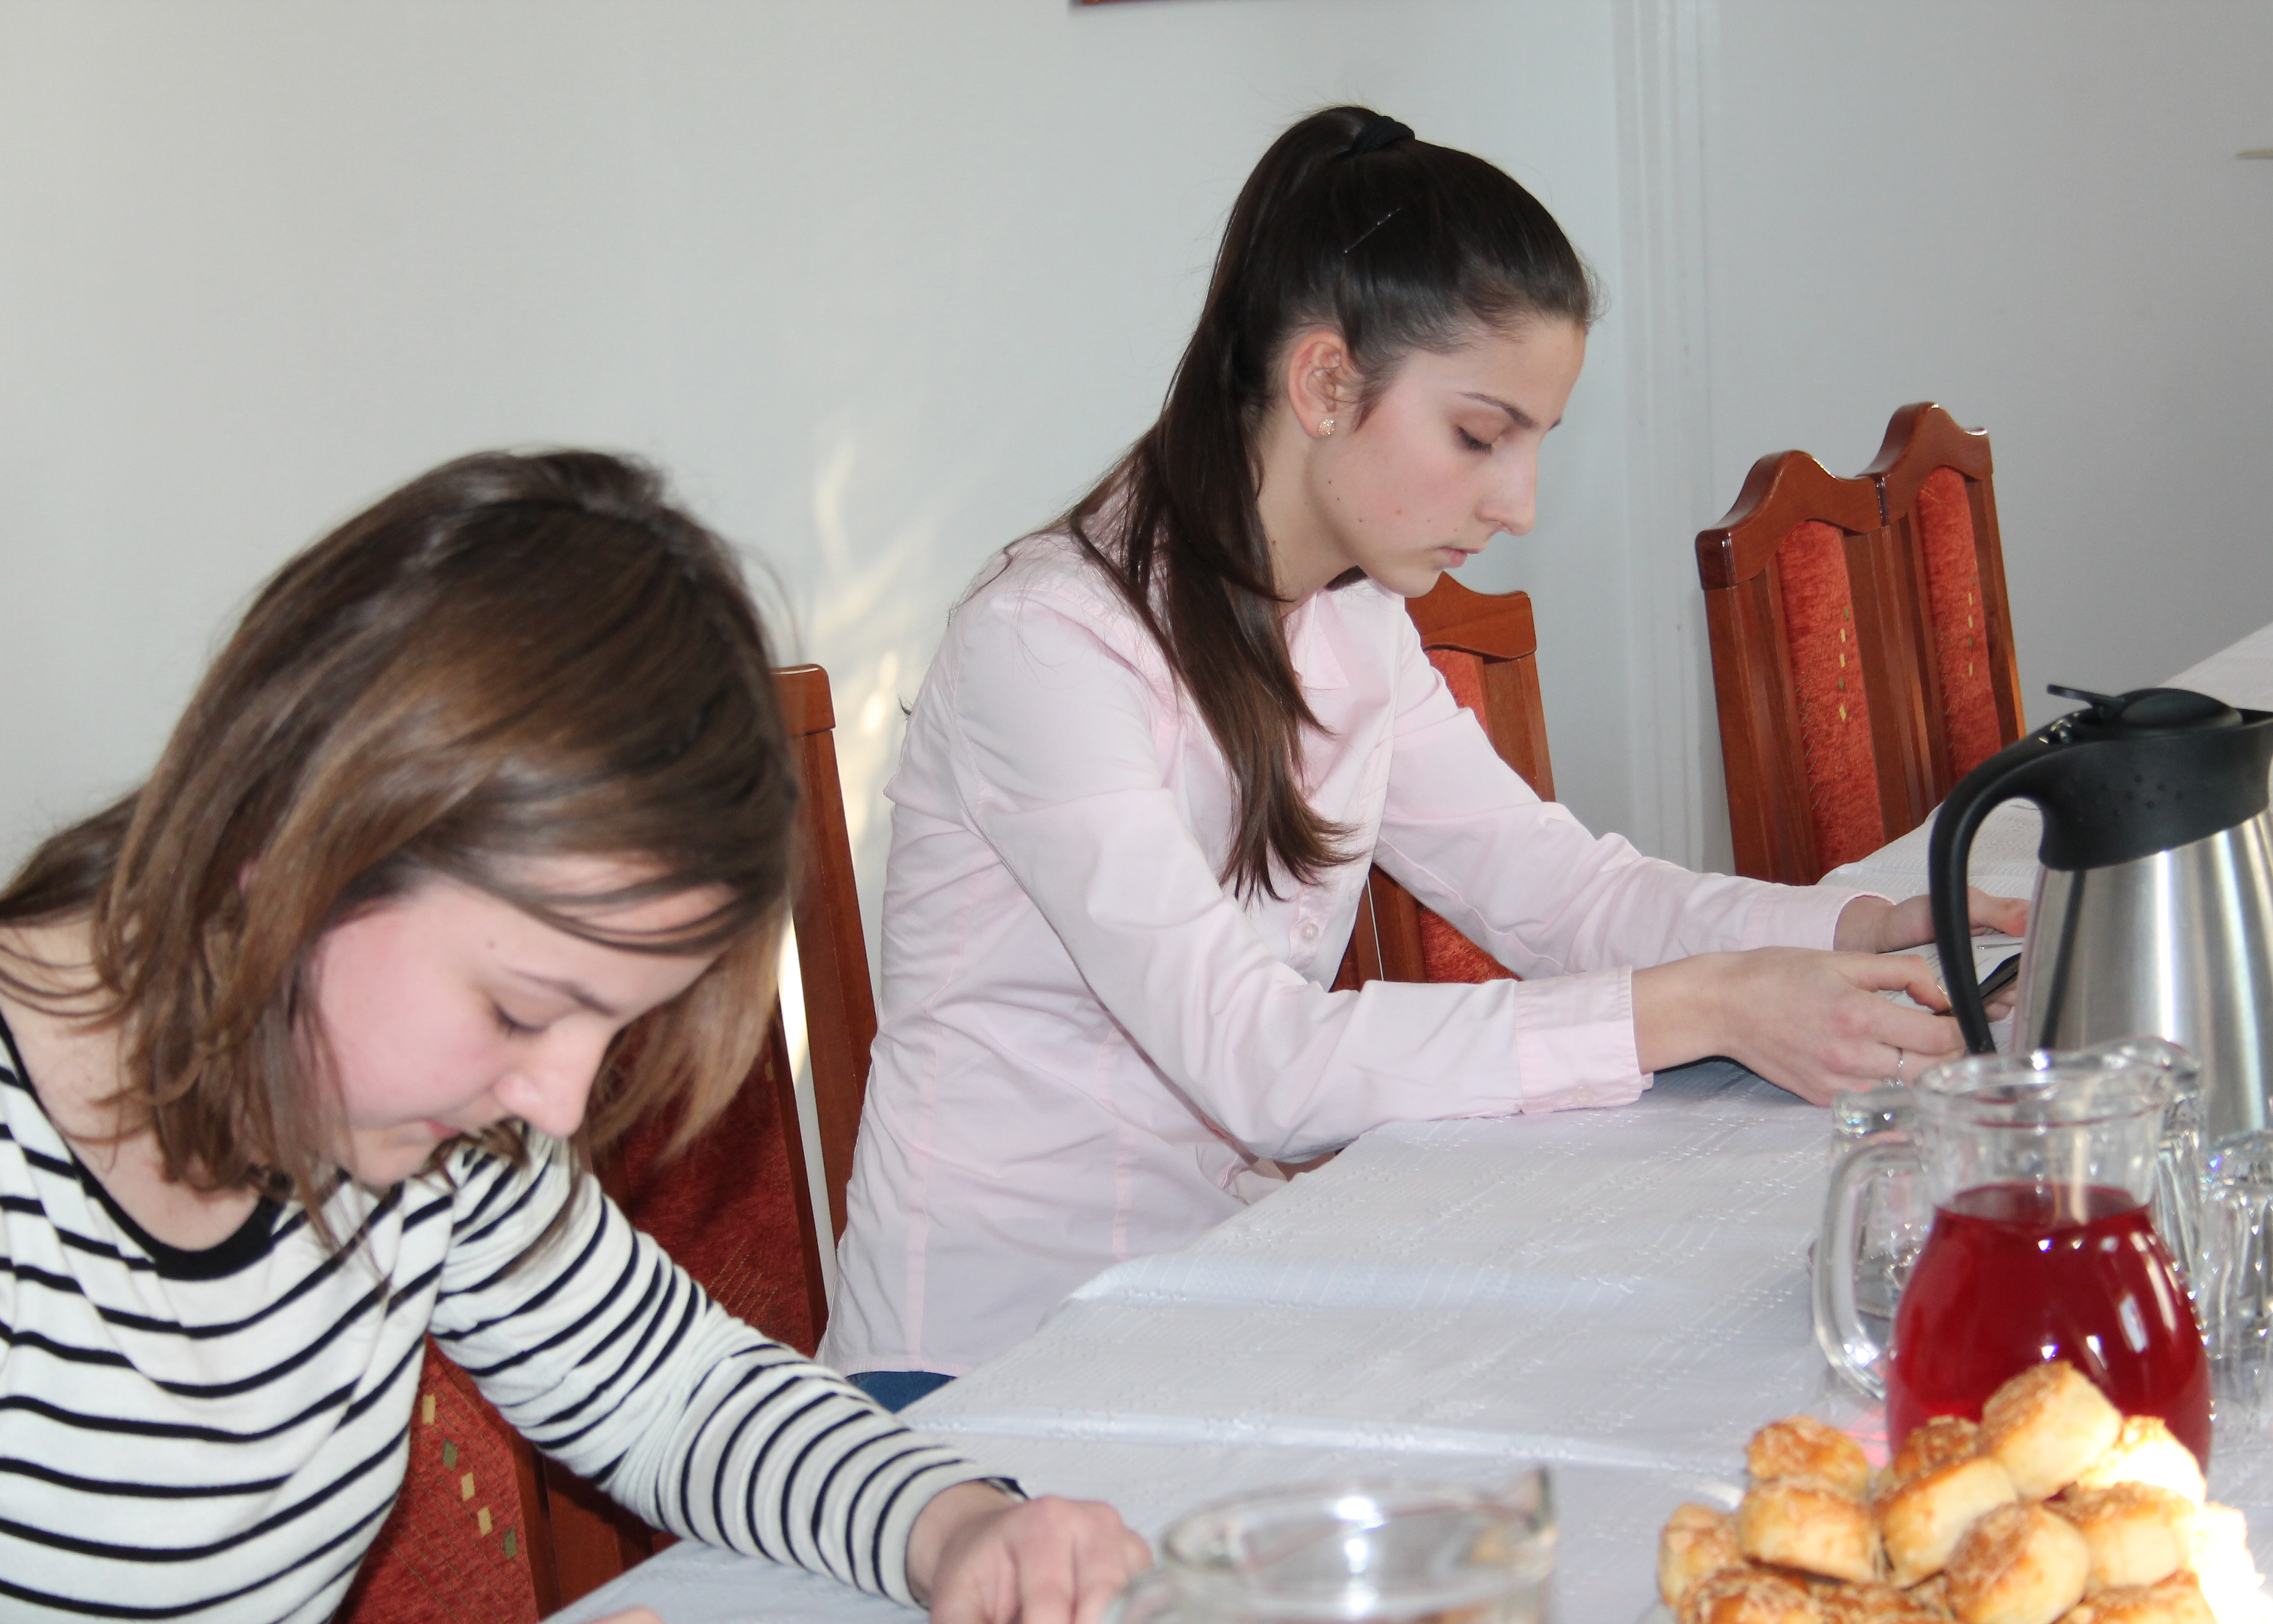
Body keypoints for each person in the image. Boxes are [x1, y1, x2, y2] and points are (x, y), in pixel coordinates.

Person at [821, 105, 2023, 1401]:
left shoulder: (1349, 620)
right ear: (1325, 385)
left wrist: (1851, 931)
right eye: (1480, 436)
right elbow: (1263, 1061)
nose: (1521, 503)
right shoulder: (1049, 645)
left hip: (1214, 1299)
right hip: (985, 1370)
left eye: (1537, 442)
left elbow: (1558, 891)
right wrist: (1705, 1005)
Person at [0, 451, 1148, 1622]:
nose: (553, 1105)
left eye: (611, 1028)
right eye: (518, 1009)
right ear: (307, 839)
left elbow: (674, 1396)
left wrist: (954, 1524)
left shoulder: (418, 1127)